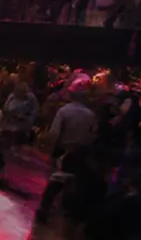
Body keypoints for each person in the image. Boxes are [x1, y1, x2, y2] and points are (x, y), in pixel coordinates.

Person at [35, 92, 99, 224]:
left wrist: (50, 151)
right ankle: (66, 212)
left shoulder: (64, 111)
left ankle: (45, 209)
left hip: (63, 149)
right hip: (81, 152)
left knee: (55, 180)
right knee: (72, 181)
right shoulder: (90, 115)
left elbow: (54, 132)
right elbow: (93, 135)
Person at [0, 80, 38, 146]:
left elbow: (34, 112)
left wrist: (26, 118)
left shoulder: (31, 98)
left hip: (24, 126)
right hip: (10, 124)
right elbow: (5, 109)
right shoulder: (12, 96)